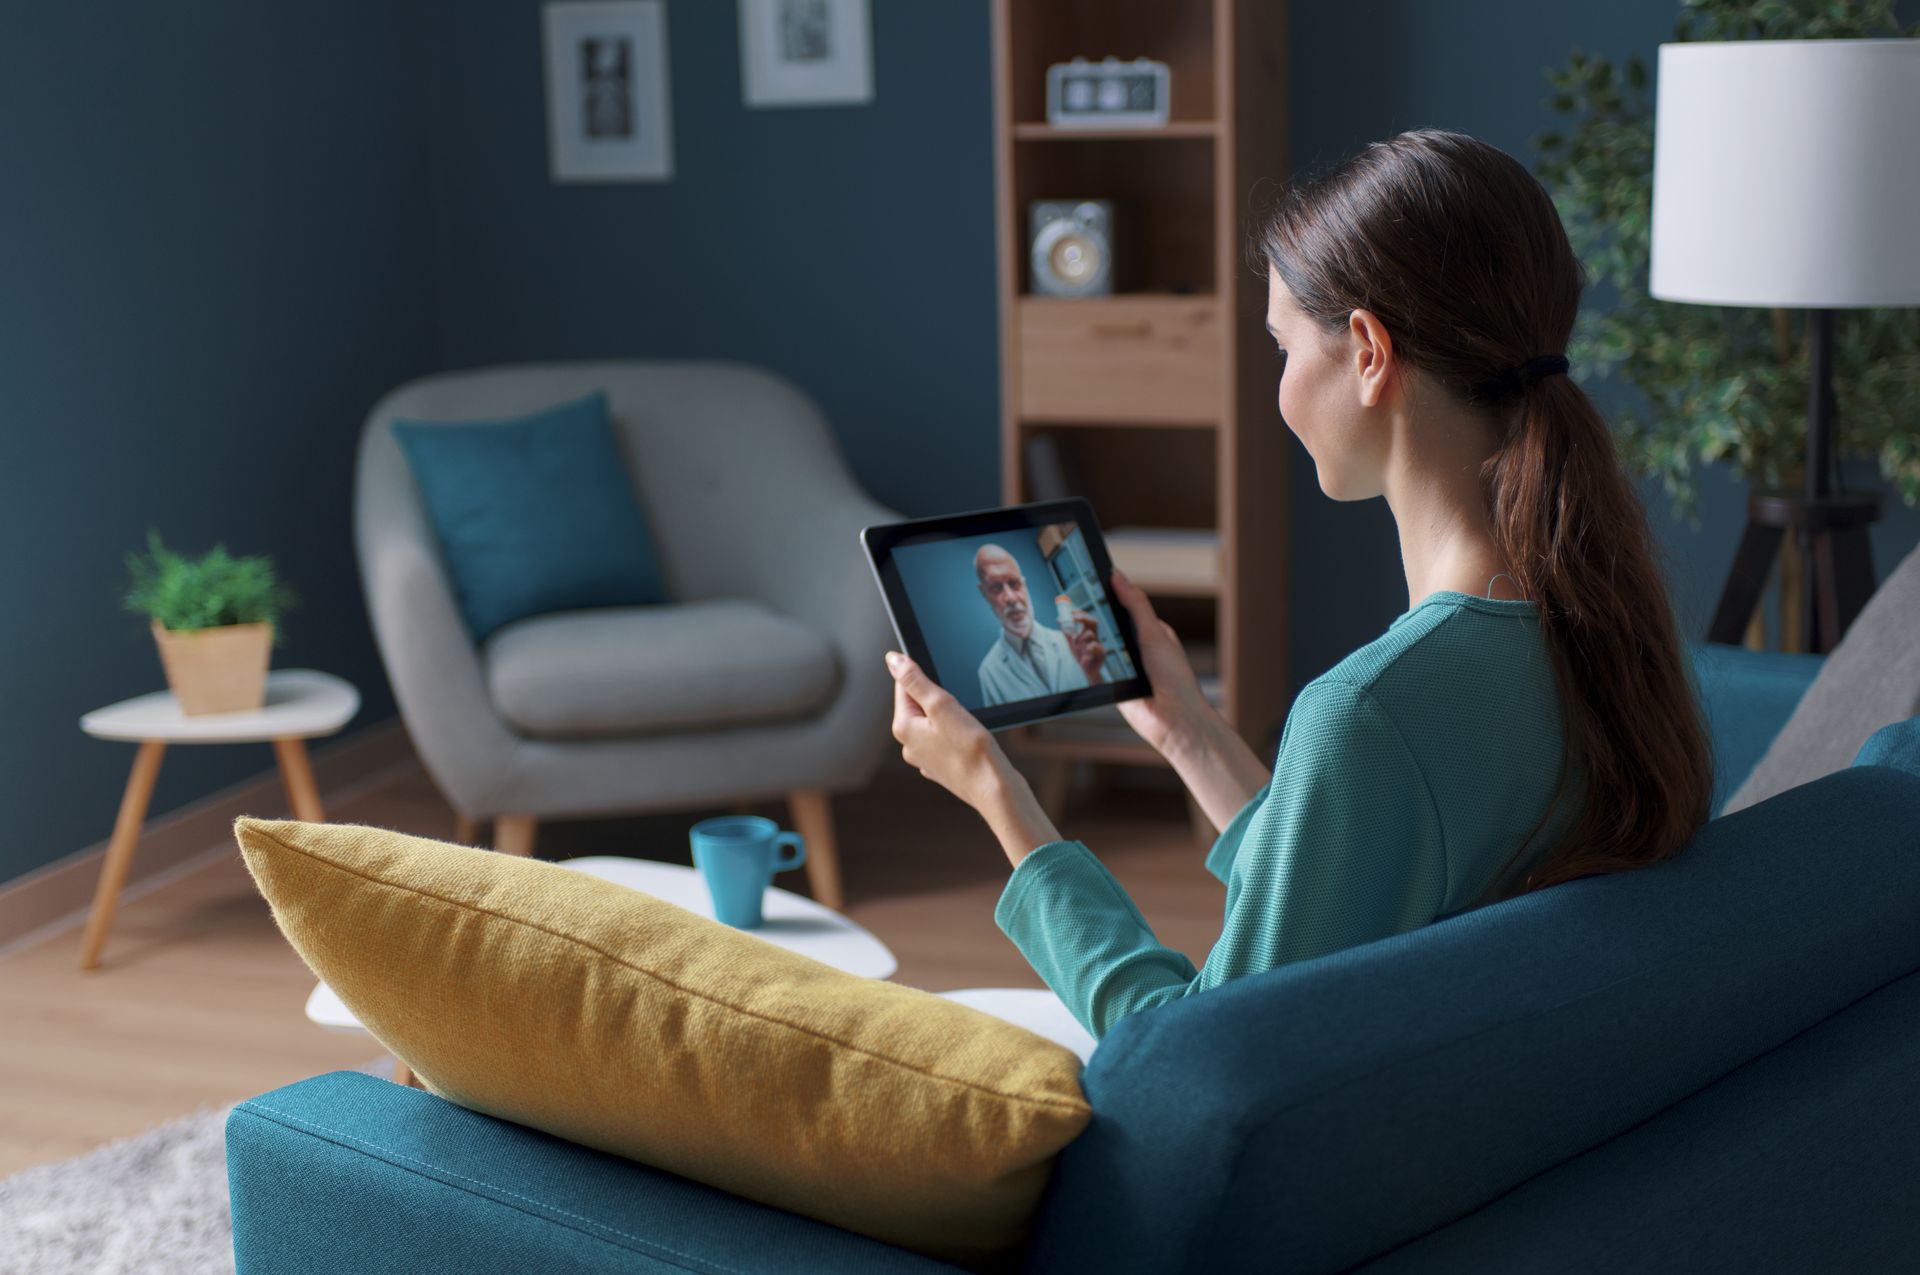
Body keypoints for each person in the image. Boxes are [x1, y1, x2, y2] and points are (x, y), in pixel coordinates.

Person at [884, 129, 1713, 1041]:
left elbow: (1196, 1050)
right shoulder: (1606, 629)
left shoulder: (1370, 711)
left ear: (1367, 352)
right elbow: (1346, 889)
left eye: (1283, 347)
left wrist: (1000, 797)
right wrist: (1189, 731)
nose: (1280, 390)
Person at [971, 543, 1106, 707]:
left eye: (1014, 583)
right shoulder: (989, 672)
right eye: (996, 588)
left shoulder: (1075, 644)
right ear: (983, 592)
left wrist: (1095, 678)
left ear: (1024, 585)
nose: (1011, 598)